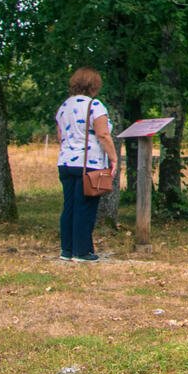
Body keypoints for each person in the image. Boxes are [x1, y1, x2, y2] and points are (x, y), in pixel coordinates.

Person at [56, 67, 118, 262]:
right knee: (86, 207)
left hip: (66, 161)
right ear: (94, 85)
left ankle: (67, 249)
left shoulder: (64, 107)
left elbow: (60, 136)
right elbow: (103, 134)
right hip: (89, 163)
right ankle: (82, 251)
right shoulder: (95, 105)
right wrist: (114, 158)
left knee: (70, 207)